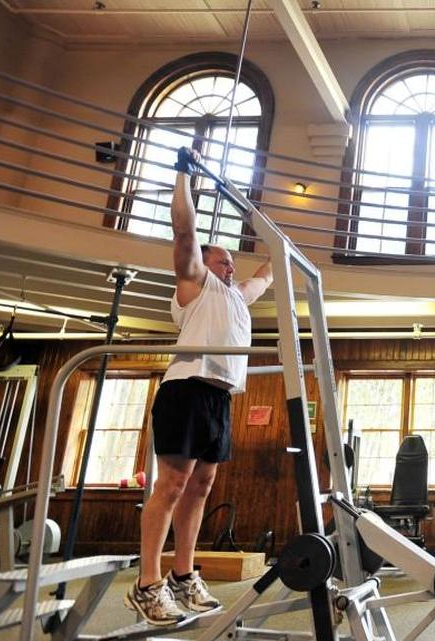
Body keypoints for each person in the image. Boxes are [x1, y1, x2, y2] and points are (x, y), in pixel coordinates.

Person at [125, 148, 273, 625]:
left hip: (218, 396)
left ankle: (184, 575)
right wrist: (184, 176)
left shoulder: (236, 298)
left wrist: (276, 233)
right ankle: (148, 583)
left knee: (202, 485)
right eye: (222, 260)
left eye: (231, 264)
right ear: (205, 263)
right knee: (172, 484)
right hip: (186, 388)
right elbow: (185, 231)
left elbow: (266, 276)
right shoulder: (195, 283)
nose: (230, 267)